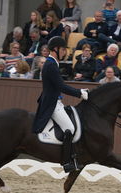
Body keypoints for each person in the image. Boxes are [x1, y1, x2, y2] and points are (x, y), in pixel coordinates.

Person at [32, 36, 89, 173]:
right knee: (69, 128)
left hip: (55, 100)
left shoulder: (53, 63)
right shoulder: (51, 64)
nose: (65, 52)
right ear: (56, 49)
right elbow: (61, 86)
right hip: (52, 103)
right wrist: (79, 93)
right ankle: (66, 162)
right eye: (63, 49)